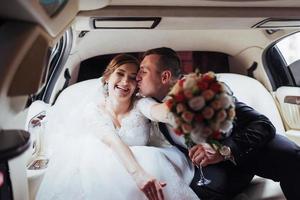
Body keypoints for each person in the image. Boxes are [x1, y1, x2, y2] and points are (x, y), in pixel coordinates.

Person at [136, 47, 300, 200]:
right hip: (206, 170)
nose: (137, 77)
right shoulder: (148, 104)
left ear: (165, 76)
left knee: (292, 156)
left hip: (243, 153)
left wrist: (224, 150)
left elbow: (263, 124)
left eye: (143, 71)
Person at [36, 54, 198, 200]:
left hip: (147, 170)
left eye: (133, 78)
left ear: (137, 85)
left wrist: (184, 100)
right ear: (107, 77)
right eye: (120, 74)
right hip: (106, 174)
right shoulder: (94, 110)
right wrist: (139, 175)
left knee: (149, 157)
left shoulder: (141, 103)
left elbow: (160, 112)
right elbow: (113, 142)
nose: (125, 82)